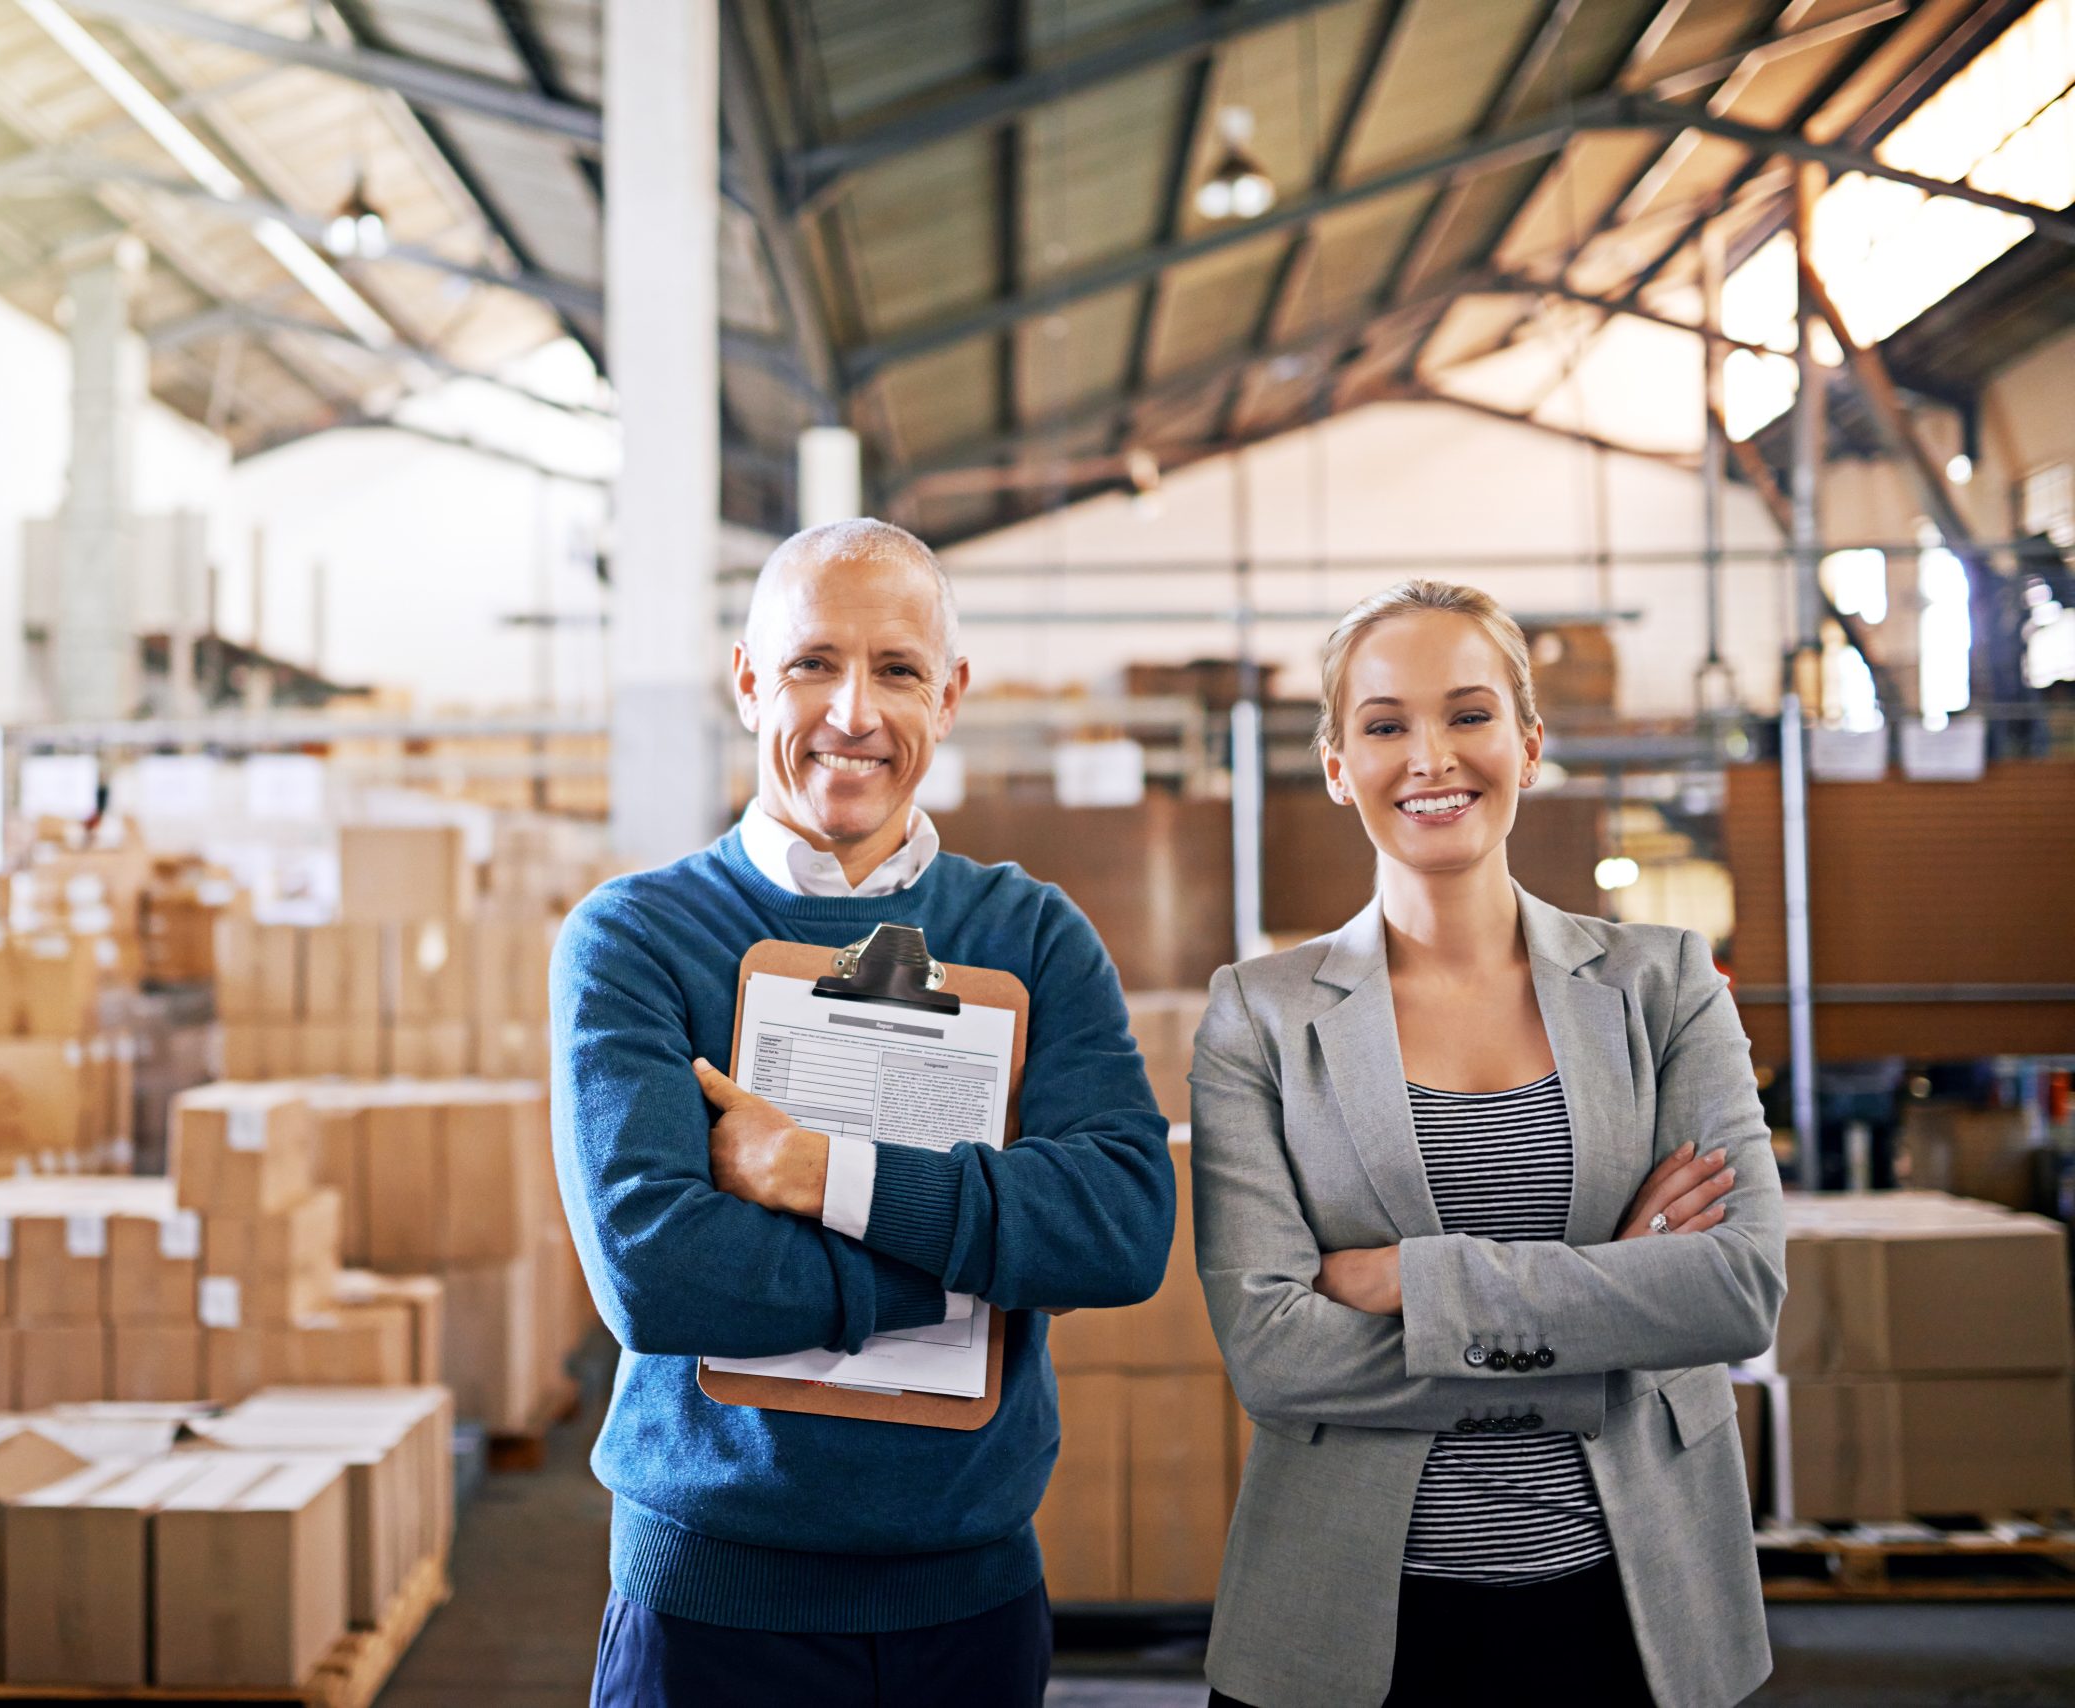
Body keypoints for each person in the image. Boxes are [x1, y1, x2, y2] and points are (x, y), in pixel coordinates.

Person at [552, 518, 1174, 1708]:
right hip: (709, 1608)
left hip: (970, 1609)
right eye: (810, 663)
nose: (852, 713)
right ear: (746, 680)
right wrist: (967, 1262)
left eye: (896, 669)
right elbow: (657, 1274)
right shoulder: (634, 938)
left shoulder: (1031, 937)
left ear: (949, 695)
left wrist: (817, 1173)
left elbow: (1120, 1227)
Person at [1191, 580, 1785, 1708]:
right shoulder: (1257, 1016)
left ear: (1528, 741)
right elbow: (1273, 1352)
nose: (1430, 756)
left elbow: (1736, 1290)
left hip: (1634, 1606)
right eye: (1382, 724)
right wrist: (1605, 1320)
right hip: (1349, 1620)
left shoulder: (1663, 986)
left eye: (1468, 714)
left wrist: (1412, 1283)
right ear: (1334, 764)